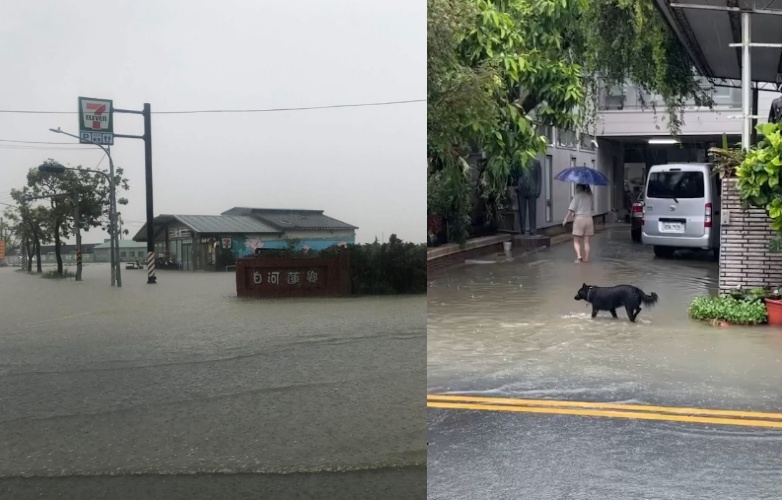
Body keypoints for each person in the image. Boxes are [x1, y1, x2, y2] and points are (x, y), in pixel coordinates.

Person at [562, 183, 595, 263]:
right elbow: (590, 207)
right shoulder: (590, 196)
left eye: (576, 187)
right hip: (589, 219)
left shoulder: (576, 196)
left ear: (579, 188)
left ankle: (579, 257)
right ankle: (586, 259)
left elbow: (571, 209)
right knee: (586, 242)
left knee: (576, 241)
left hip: (579, 219)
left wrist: (566, 219)